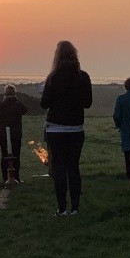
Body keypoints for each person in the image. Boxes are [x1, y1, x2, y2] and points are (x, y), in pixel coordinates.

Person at [41, 40, 93, 216]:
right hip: (76, 128)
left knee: (60, 168)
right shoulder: (83, 77)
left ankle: (62, 208)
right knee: (74, 167)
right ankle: (76, 208)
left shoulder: (53, 77)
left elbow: (44, 103)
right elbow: (88, 103)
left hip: (56, 128)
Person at [0, 84, 27, 185]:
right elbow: (25, 110)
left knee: (4, 155)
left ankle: (5, 177)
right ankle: (16, 177)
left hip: (3, 134)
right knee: (16, 155)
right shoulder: (18, 105)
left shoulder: (1, 105)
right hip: (16, 134)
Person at [112, 78, 130, 179]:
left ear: (125, 86)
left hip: (126, 128)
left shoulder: (121, 99)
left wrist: (118, 124)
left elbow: (116, 115)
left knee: (128, 153)